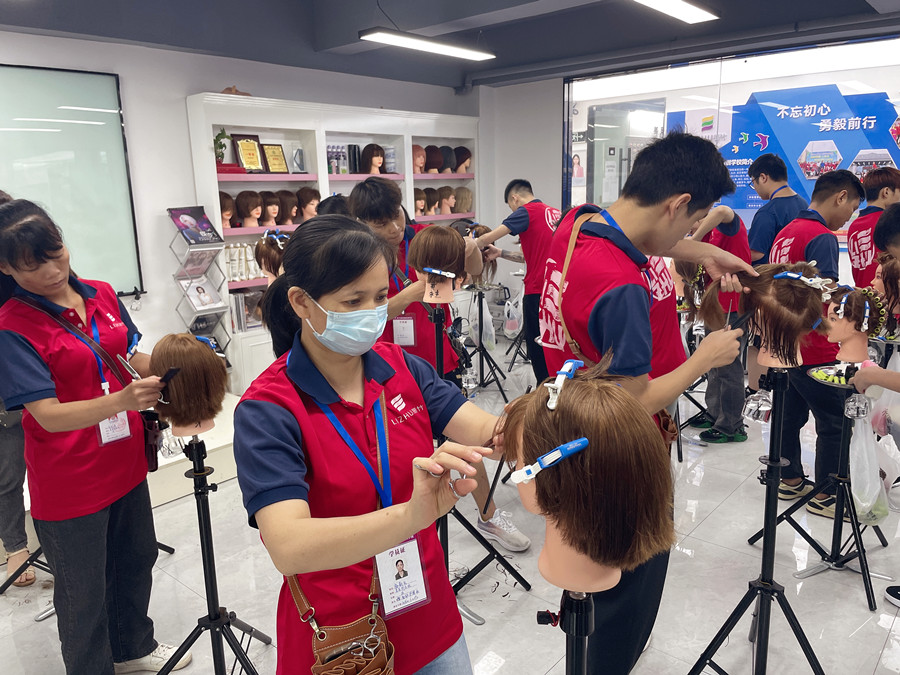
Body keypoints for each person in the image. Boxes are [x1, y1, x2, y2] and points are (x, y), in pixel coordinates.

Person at [233, 215, 502, 674]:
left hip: (428, 611)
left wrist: (538, 420)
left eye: (380, 297)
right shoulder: (269, 409)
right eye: (353, 301)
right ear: (301, 302)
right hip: (339, 638)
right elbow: (288, 545)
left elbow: (486, 429)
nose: (374, 313)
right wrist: (411, 516)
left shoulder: (401, 368)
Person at [538, 131, 749, 675]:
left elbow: (651, 237)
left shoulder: (579, 223)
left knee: (595, 562)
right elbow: (634, 401)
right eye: (691, 222)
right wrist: (705, 357)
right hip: (619, 446)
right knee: (630, 581)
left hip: (570, 425)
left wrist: (704, 250)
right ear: (678, 204)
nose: (685, 236)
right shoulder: (622, 287)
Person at [0, 200, 190, 674]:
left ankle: (132, 649)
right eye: (33, 266)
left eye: (55, 253)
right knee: (82, 592)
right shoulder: (12, 327)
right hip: (70, 480)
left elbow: (128, 356)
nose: (52, 271)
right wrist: (123, 401)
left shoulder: (101, 293)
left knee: (136, 559)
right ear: (5, 269)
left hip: (124, 461)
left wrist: (181, 363)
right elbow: (47, 416)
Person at [348, 178, 530, 551]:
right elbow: (363, 322)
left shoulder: (422, 237)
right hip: (389, 366)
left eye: (397, 216)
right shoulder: (358, 257)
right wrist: (411, 293)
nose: (394, 228)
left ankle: (489, 515)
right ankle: (405, 527)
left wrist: (470, 248)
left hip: (438, 353)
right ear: (362, 223)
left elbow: (470, 269)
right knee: (398, 450)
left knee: (464, 437)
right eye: (382, 223)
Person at [769, 169, 865, 519]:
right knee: (834, 421)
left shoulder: (786, 232)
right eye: (851, 208)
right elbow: (824, 294)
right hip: (814, 344)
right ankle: (827, 494)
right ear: (841, 197)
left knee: (790, 414)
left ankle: (790, 478)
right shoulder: (821, 236)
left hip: (786, 341)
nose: (849, 216)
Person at [474, 179, 561, 384]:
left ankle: (544, 393)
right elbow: (527, 256)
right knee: (554, 348)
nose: (512, 211)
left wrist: (468, 244)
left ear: (514, 198)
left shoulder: (527, 211)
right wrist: (500, 253)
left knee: (538, 350)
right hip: (557, 291)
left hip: (537, 292)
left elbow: (486, 239)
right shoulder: (555, 213)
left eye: (510, 206)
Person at [686, 204, 752, 443]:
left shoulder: (727, 228)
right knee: (714, 363)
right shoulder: (709, 236)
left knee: (728, 366)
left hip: (733, 306)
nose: (689, 228)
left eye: (691, 221)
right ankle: (715, 413)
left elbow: (722, 210)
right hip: (717, 307)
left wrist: (694, 239)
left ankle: (731, 425)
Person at [0, 189, 32, 589]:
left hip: (38, 370)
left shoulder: (27, 258)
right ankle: (15, 548)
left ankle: (60, 542)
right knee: (8, 472)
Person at [747, 153, 807, 265]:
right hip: (799, 271)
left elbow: (755, 254)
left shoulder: (767, 213)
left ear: (763, 178)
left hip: (773, 274)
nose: (754, 188)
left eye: (753, 182)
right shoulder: (804, 204)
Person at [848, 167, 900, 287]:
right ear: (886, 192)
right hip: (887, 294)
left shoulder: (853, 226)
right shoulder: (890, 222)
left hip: (863, 293)